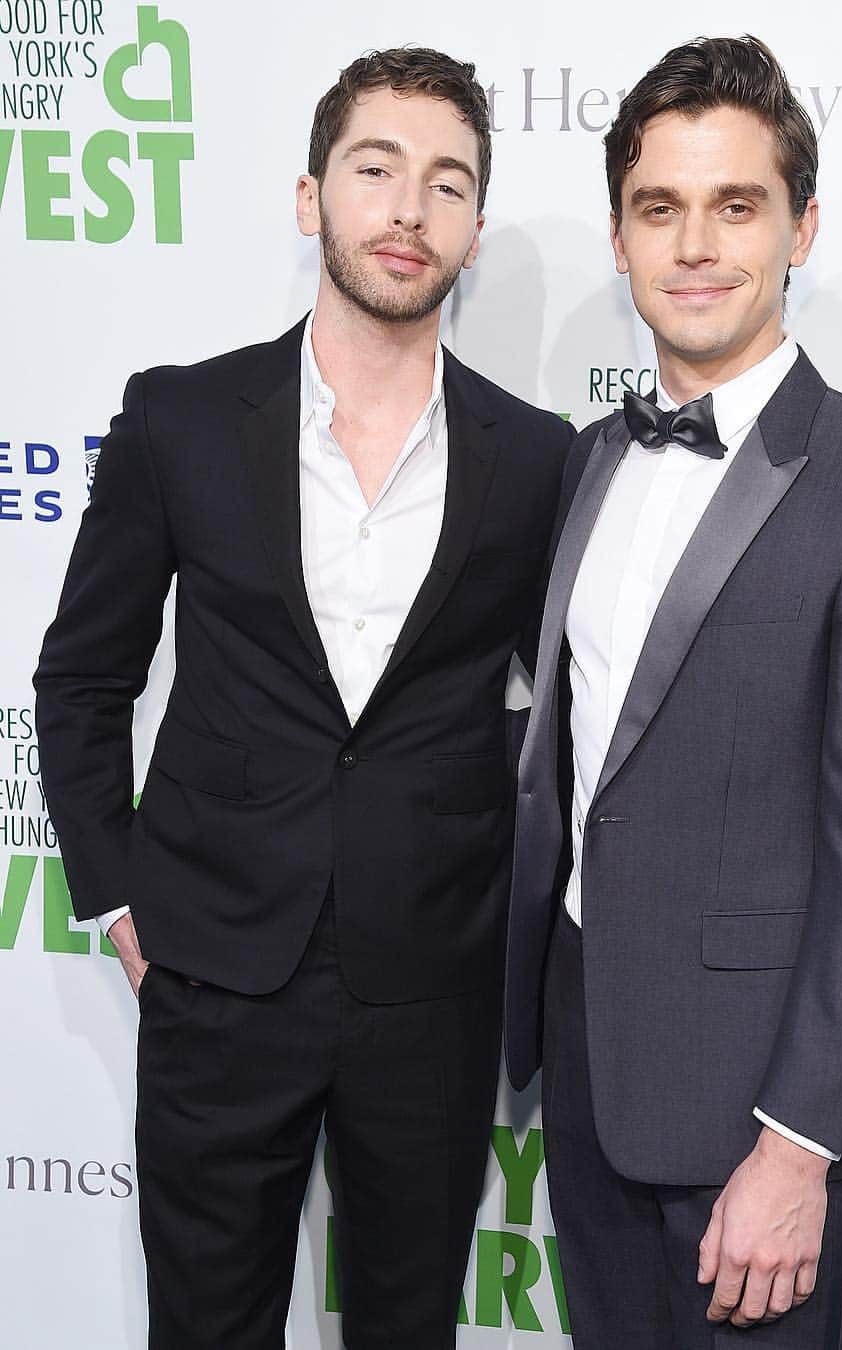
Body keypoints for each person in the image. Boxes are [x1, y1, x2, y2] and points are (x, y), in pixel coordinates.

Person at [35, 46, 572, 1350]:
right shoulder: (180, 420)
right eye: (375, 169)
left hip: (431, 991)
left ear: (474, 232)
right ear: (308, 197)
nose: (407, 209)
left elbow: (564, 714)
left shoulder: (539, 457)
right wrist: (115, 892)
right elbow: (84, 672)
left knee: (408, 1329)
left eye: (446, 184)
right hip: (216, 974)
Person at [504, 34, 842, 1349]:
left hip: (752, 1118)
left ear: (799, 225)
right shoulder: (586, 461)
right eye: (661, 207)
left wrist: (800, 1147)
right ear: (620, 234)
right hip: (589, 1073)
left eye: (737, 204)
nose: (697, 243)